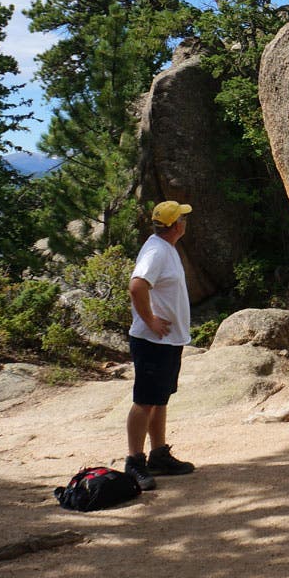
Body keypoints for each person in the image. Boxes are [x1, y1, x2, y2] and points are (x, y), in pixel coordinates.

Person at [124, 199, 197, 490]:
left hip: (166, 340)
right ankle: (134, 462)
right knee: (144, 400)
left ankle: (158, 454)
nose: (185, 222)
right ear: (176, 225)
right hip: (152, 340)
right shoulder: (156, 251)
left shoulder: (165, 248)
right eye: (183, 218)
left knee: (160, 398)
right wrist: (151, 320)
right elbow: (137, 285)